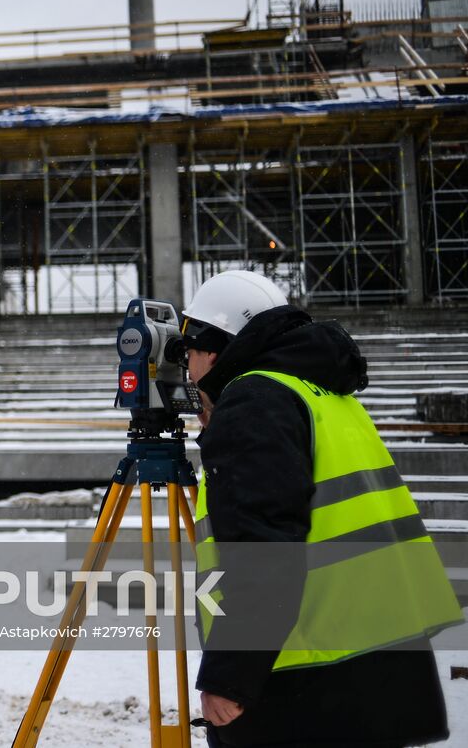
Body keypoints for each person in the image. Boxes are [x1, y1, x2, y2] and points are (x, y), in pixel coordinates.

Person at [181, 270, 459, 747]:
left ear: (213, 348)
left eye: (187, 354)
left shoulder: (254, 402)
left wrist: (230, 677)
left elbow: (262, 551)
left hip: (306, 686)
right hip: (382, 668)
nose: (185, 370)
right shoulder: (322, 393)